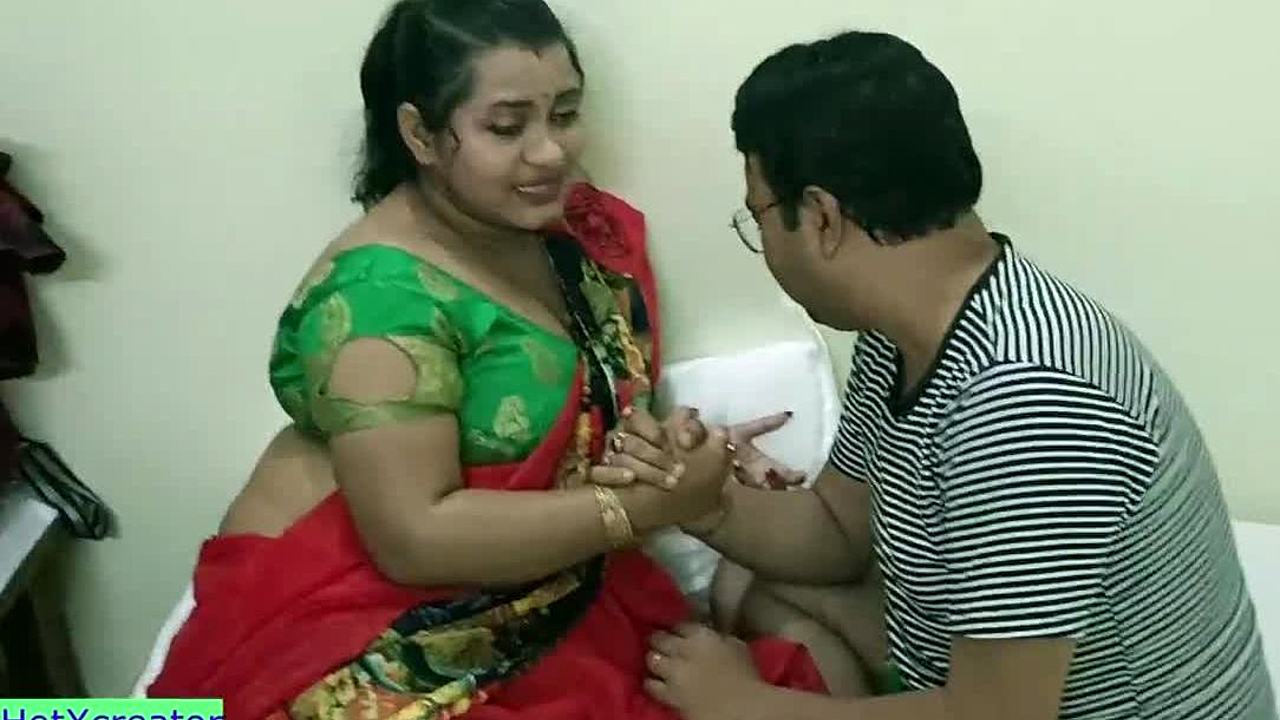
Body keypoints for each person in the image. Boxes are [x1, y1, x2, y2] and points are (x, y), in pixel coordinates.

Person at [144, 1, 826, 718]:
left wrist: (676, 454)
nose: (550, 152)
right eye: (506, 127)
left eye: (565, 114)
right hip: (369, 627)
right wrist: (647, 507)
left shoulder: (571, 237)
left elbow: (585, 420)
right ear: (420, 134)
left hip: (547, 594)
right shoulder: (380, 298)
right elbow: (412, 540)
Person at [613, 30, 1277, 720]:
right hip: (974, 674)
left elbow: (1001, 715)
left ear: (821, 218)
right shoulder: (907, 330)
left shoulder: (1025, 398)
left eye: (759, 217)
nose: (765, 245)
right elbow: (837, 533)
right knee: (748, 584)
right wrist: (702, 502)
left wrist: (743, 705)